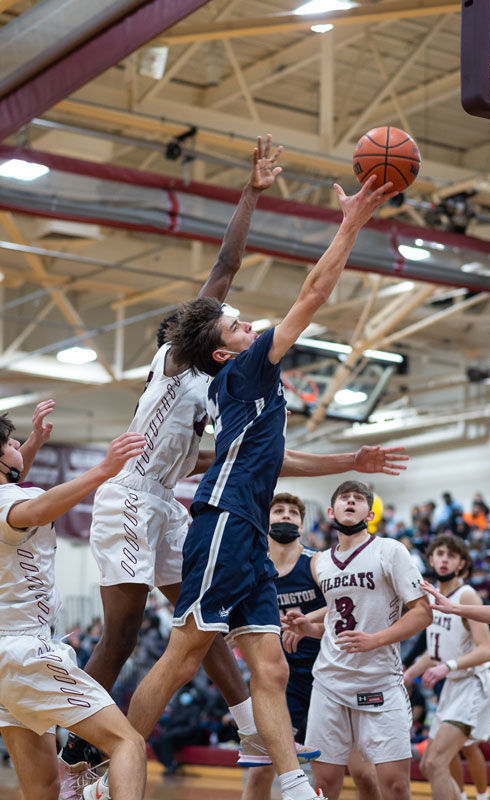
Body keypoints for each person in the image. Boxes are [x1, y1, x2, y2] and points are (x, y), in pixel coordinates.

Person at [105, 175, 400, 800]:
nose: (248, 325)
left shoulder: (243, 382)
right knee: (182, 654)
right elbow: (313, 293)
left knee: (269, 665)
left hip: (247, 524)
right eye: (237, 324)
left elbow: (280, 461)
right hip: (223, 520)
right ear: (220, 352)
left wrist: (355, 457)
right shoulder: (245, 370)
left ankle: (292, 787)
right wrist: (350, 224)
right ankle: (116, 767)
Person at [0, 410, 147, 800]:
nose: (18, 446)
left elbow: (11, 490)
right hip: (25, 651)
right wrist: (104, 469)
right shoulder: (13, 505)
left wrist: (31, 444)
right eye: (10, 443)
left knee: (44, 788)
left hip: (5, 662)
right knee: (127, 744)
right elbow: (32, 510)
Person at [283, 480, 432, 800]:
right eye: (344, 498)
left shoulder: (390, 550)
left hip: (379, 681)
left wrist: (376, 639)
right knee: (323, 784)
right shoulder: (319, 562)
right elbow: (338, 619)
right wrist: (308, 627)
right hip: (329, 683)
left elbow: (422, 613)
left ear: (370, 511)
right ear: (330, 511)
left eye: (358, 499)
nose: (351, 502)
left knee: (395, 785)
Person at [243, 492, 380, 800]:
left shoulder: (318, 563)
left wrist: (306, 626)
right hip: (280, 682)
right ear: (266, 521)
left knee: (363, 774)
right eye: (279, 511)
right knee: (260, 770)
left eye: (293, 513)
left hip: (330, 674)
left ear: (302, 527)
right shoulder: (253, 569)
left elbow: (348, 608)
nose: (286, 516)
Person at [404, 534, 490, 800]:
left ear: (461, 564)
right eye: (440, 554)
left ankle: (482, 795)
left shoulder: (467, 596)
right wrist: (409, 673)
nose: (444, 559)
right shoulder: (431, 596)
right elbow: (434, 653)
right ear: (430, 559)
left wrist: (448, 666)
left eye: (452, 555)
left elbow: (486, 650)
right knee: (427, 764)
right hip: (453, 685)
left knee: (438, 762)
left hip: (473, 684)